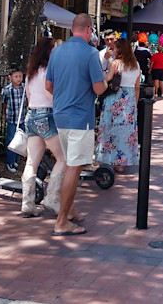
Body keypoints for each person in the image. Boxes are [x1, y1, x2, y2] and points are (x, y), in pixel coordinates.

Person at [45, 13, 107, 236]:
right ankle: (61, 221)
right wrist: (107, 79)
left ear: (72, 29)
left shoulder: (57, 51)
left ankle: (69, 210)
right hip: (81, 118)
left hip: (61, 115)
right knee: (74, 166)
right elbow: (99, 89)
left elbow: (49, 85)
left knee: (69, 161)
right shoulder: (90, 53)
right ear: (89, 30)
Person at [20, 39, 70, 217]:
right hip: (48, 114)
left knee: (31, 162)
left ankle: (27, 203)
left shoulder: (31, 73)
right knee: (63, 158)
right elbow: (54, 95)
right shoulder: (50, 71)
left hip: (32, 115)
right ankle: (52, 198)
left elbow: (28, 95)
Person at [95, 38, 141, 172]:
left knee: (109, 129)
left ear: (119, 49)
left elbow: (107, 78)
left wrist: (104, 61)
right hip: (130, 100)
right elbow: (137, 87)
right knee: (126, 132)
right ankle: (121, 162)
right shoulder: (136, 65)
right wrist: (135, 105)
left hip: (115, 99)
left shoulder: (115, 64)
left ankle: (106, 158)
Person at [0, 69, 26, 173]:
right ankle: (9, 162)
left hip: (22, 118)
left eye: (20, 76)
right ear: (10, 77)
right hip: (12, 118)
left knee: (20, 139)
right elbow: (4, 103)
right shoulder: (7, 90)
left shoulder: (24, 88)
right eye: (16, 76)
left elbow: (26, 101)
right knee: (11, 140)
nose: (18, 79)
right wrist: (5, 115)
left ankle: (16, 159)